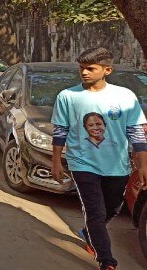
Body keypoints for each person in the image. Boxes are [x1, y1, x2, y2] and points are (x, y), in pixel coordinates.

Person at [51, 47, 147, 270]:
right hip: (82, 163)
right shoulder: (67, 96)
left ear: (107, 70)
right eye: (82, 68)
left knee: (112, 208)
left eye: (90, 69)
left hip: (117, 164)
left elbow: (136, 132)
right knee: (95, 211)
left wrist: (143, 165)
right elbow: (60, 131)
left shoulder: (124, 96)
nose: (84, 73)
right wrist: (56, 161)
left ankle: (89, 232)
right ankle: (107, 261)